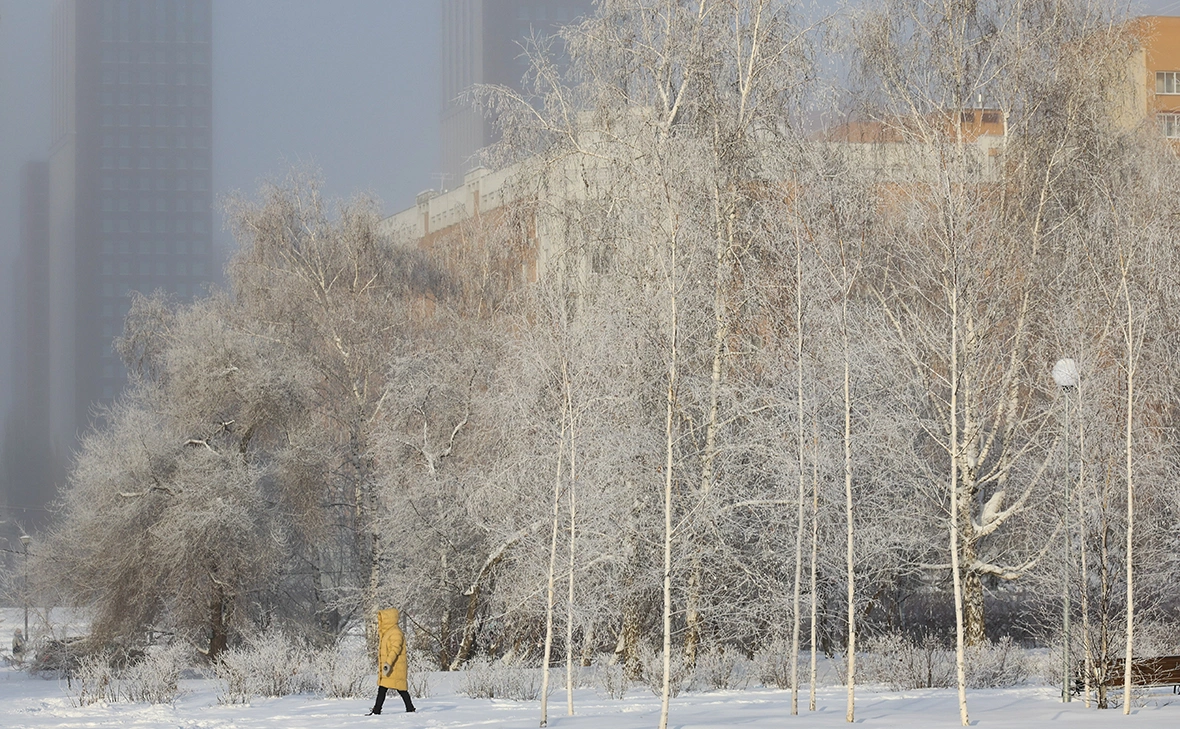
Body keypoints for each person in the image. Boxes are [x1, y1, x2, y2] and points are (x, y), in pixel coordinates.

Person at [368, 608, 416, 715]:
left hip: (394, 667)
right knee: (385, 688)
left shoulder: (395, 632)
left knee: (400, 689)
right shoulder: (388, 633)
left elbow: (395, 649)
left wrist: (388, 663)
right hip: (390, 667)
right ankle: (377, 710)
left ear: (389, 619)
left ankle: (409, 708)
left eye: (383, 619)